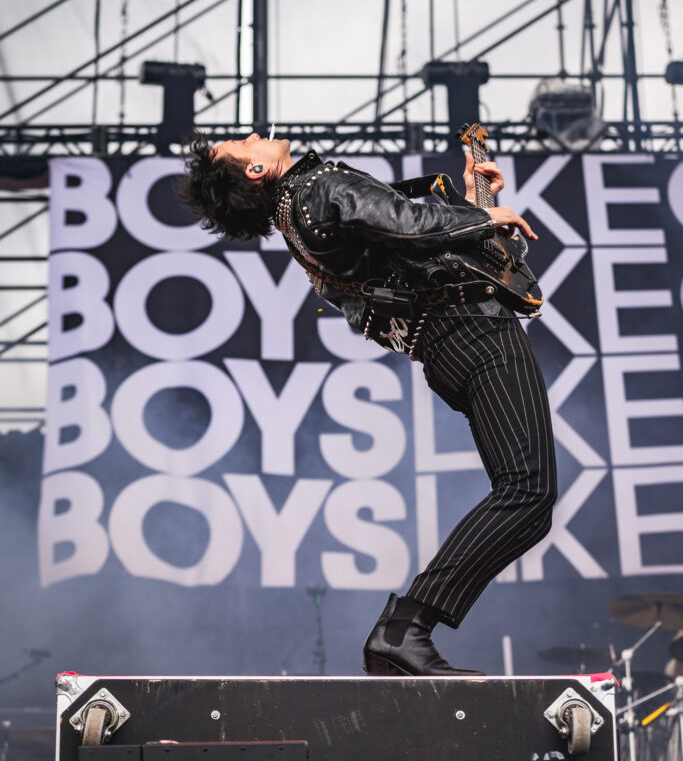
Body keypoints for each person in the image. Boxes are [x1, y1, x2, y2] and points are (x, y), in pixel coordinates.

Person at [180, 130, 557, 676]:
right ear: (255, 171)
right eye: (242, 142)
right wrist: (483, 217)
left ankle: (405, 630)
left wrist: (476, 203)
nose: (254, 134)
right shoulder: (318, 187)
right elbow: (412, 224)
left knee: (528, 500)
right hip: (473, 329)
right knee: (528, 492)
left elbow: (433, 253)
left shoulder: (298, 219)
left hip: (449, 342)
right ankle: (403, 629)